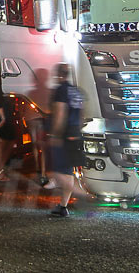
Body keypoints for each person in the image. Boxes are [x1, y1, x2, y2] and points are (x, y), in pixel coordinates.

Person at [48, 63, 85, 217]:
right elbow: (82, 114)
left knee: (57, 171)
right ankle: (63, 206)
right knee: (68, 172)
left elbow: (60, 114)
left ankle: (82, 196)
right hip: (76, 133)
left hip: (64, 135)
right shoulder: (76, 91)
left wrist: (55, 134)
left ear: (58, 75)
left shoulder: (61, 91)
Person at [26, 67, 55, 189]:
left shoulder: (31, 92)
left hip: (31, 118)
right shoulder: (49, 91)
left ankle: (38, 167)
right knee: (43, 146)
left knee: (35, 145)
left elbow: (26, 108)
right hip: (42, 119)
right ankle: (42, 173)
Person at [0, 80, 19, 182]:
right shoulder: (0, 85)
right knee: (1, 146)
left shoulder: (3, 84)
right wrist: (2, 117)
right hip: (3, 117)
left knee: (7, 144)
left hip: (6, 116)